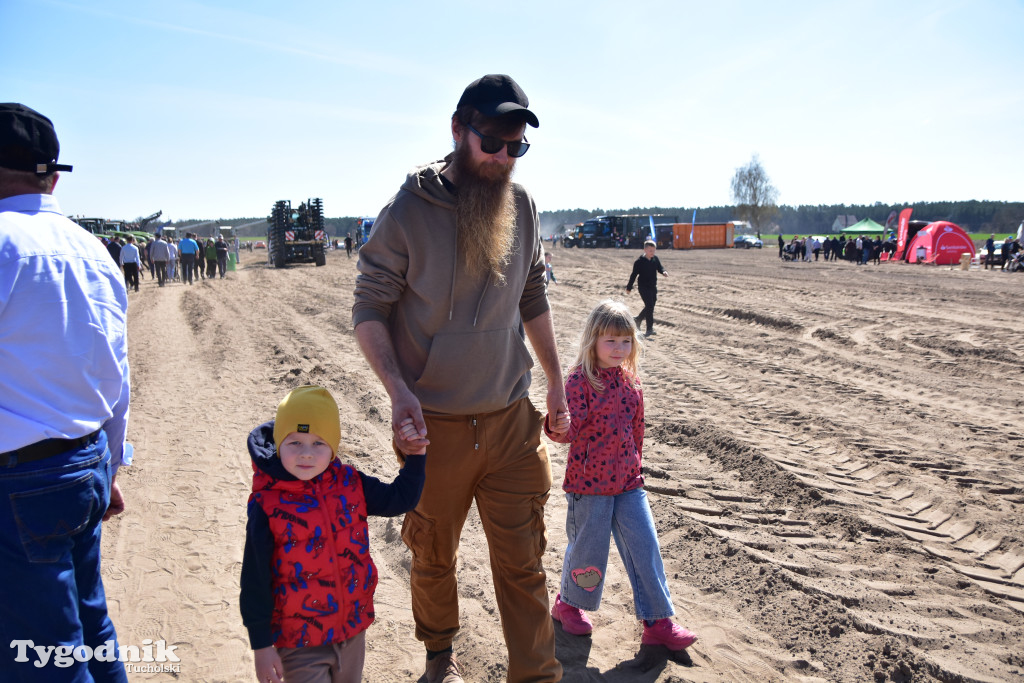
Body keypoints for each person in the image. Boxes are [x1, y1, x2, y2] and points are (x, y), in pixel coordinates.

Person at [352, 74, 564, 683]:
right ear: (457, 129)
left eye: (516, 147)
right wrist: (398, 393)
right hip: (435, 429)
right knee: (433, 557)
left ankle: (537, 675)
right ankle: (439, 655)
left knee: (524, 564)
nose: (503, 158)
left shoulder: (520, 206)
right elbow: (369, 308)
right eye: (492, 143)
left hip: (511, 423)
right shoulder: (408, 211)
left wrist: (554, 380)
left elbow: (530, 293)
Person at [0, 103, 131, 682]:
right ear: (51, 176)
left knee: (44, 656)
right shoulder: (93, 250)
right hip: (85, 462)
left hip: (20, 479)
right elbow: (116, 371)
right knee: (91, 627)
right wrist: (112, 466)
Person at [240, 385, 425, 683]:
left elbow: (400, 499)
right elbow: (254, 579)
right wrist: (261, 646)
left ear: (334, 446)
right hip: (300, 644)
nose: (306, 454)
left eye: (318, 443)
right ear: (278, 444)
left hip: (352, 633)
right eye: (294, 442)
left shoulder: (350, 483)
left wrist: (415, 456)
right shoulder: (267, 504)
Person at [544, 300, 699, 656]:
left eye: (625, 341)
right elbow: (567, 431)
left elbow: (637, 430)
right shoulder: (579, 382)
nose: (618, 348)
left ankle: (657, 622)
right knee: (589, 551)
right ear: (593, 342)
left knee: (646, 547)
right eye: (610, 341)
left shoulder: (631, 383)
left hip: (629, 483)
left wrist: (636, 464)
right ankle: (568, 604)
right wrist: (558, 426)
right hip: (589, 487)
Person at [626, 239, 668, 337]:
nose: (652, 253)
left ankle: (638, 319)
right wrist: (629, 287)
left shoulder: (655, 259)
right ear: (645, 250)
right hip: (643, 287)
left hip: (653, 286)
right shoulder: (639, 262)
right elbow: (633, 275)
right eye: (650, 251)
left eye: (654, 251)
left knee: (651, 306)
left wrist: (663, 272)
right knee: (649, 306)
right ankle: (649, 329)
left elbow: (660, 267)